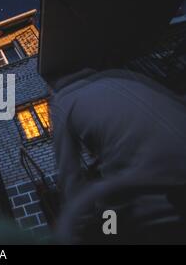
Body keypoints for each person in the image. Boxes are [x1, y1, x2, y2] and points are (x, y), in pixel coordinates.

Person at [50, 68, 186, 244]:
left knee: (109, 215)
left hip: (152, 183)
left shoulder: (61, 101)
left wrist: (73, 223)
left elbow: (70, 177)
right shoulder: (126, 75)